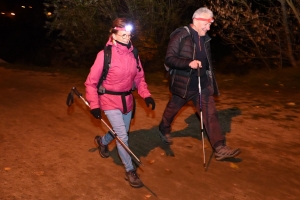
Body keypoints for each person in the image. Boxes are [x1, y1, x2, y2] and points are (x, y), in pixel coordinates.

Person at [159, 7, 240, 161]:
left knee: (210, 114)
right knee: (172, 110)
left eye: (210, 24)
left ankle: (219, 147)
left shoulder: (205, 38)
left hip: (202, 84)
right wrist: (188, 63)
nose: (208, 28)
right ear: (196, 20)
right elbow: (169, 59)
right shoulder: (180, 36)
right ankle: (163, 128)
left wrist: (209, 79)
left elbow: (207, 62)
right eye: (207, 24)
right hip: (183, 84)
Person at [85, 18, 155, 188]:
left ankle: (102, 141)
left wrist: (146, 95)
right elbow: (91, 82)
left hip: (127, 101)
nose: (127, 37)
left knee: (121, 132)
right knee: (122, 137)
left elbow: (139, 78)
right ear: (114, 35)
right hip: (109, 100)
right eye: (123, 34)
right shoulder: (104, 55)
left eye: (129, 34)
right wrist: (94, 105)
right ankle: (130, 170)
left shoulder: (134, 54)